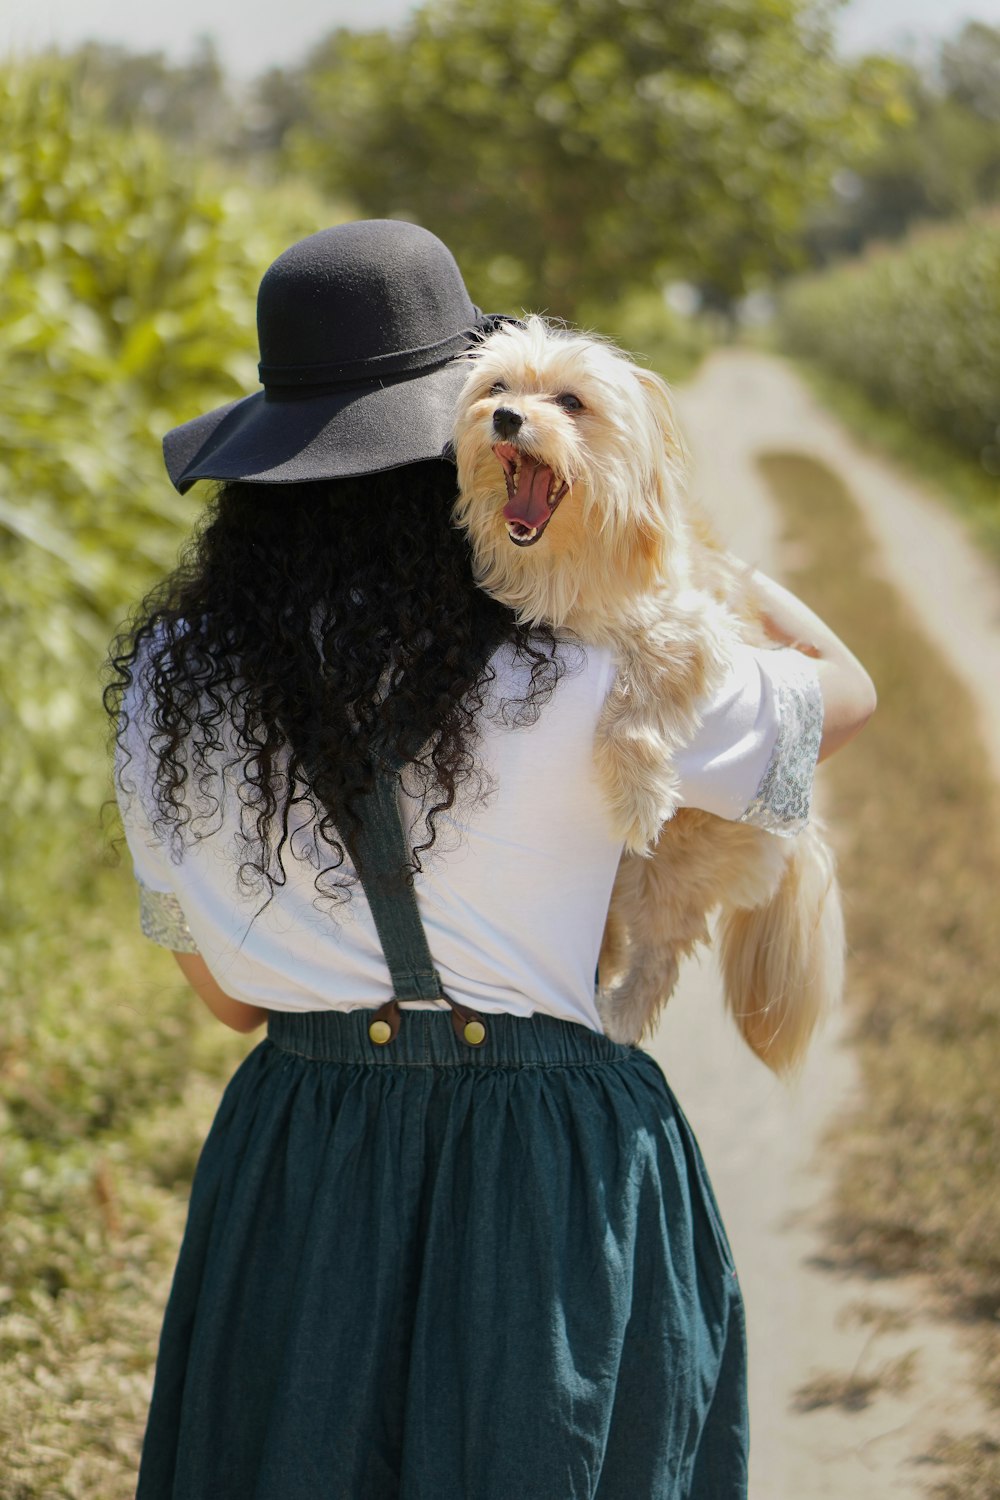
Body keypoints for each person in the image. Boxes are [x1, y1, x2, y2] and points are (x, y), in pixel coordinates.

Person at [107, 219, 875, 1500]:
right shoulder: (586, 673)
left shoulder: (171, 689)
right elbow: (841, 694)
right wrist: (710, 563)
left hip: (297, 1168)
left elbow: (232, 999)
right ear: (444, 450)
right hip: (550, 1172)